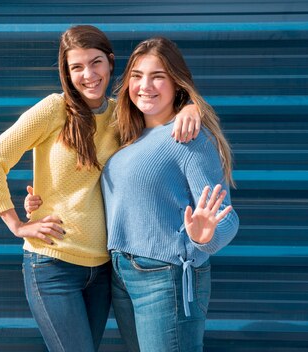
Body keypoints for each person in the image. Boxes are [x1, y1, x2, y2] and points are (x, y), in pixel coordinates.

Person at [0, 25, 201, 352]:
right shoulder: (55, 109)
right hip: (53, 266)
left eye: (95, 63)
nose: (88, 75)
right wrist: (17, 223)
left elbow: (160, 109)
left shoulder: (122, 114)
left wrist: (189, 106)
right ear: (67, 73)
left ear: (110, 62)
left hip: (104, 270)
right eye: (76, 67)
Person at [103, 37, 239, 351]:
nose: (145, 85)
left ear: (176, 84)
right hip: (122, 273)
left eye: (158, 76)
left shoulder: (189, 137)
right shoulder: (129, 135)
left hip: (166, 278)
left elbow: (225, 219)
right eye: (137, 75)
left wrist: (204, 238)